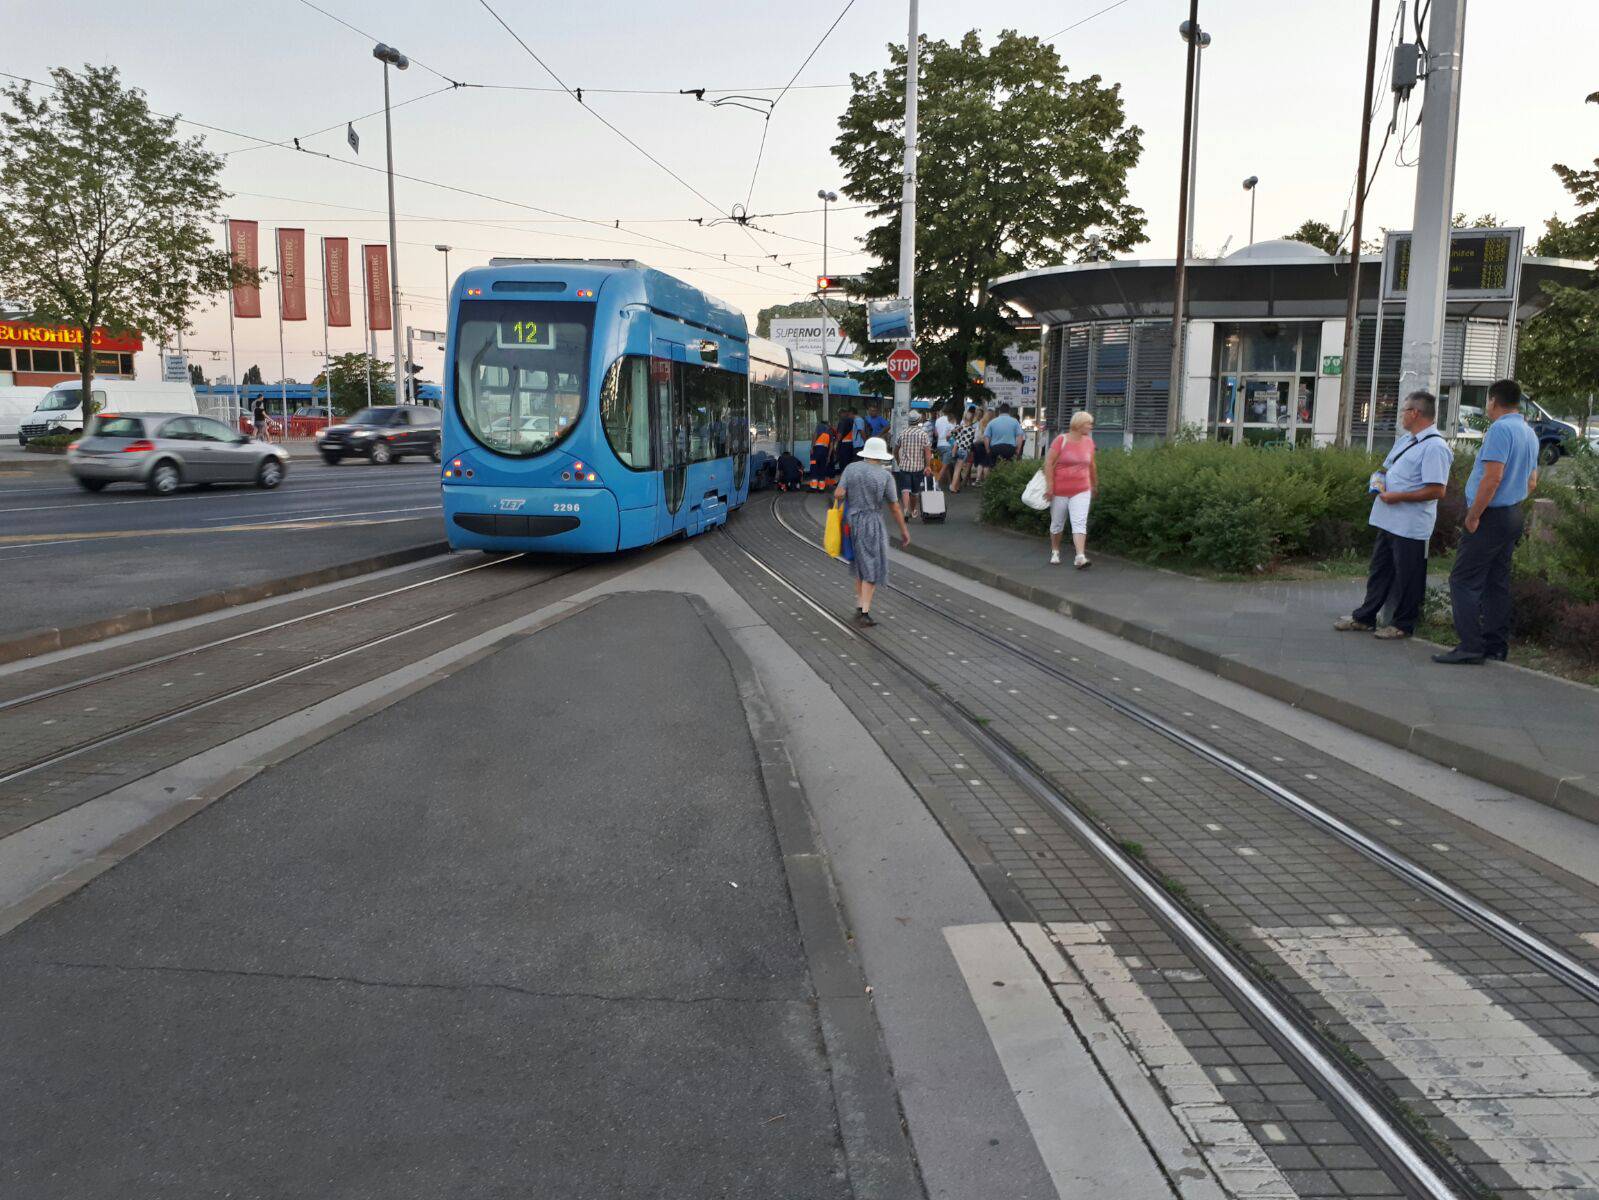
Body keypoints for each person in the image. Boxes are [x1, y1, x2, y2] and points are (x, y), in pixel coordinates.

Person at [1433, 377, 1541, 664]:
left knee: (1463, 580)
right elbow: (1532, 482)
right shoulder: (1528, 433)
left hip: (1490, 516)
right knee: (1497, 581)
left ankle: (1470, 646)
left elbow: (1492, 478)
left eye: (1487, 402)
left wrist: (1474, 514)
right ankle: (1496, 645)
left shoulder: (1500, 430)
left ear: (1493, 401)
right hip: (1512, 514)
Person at [1334, 390, 1453, 640]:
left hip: (1410, 525)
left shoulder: (1435, 447)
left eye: (1403, 410)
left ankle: (1403, 624)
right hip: (1388, 520)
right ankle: (1365, 617)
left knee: (1408, 576)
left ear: (1415, 413)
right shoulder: (1407, 440)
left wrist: (1397, 496)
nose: (1400, 415)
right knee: (1380, 571)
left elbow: (1437, 490)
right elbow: (1387, 467)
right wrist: (1379, 482)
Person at [835, 436, 911, 626]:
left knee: (860, 563)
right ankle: (865, 612)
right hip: (871, 522)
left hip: (851, 522)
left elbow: (839, 493)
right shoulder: (885, 476)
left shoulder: (851, 468)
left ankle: (860, 605)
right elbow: (894, 507)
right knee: (873, 566)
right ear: (881, 456)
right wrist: (904, 530)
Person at [1043, 410, 1098, 567]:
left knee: (1079, 522)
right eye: (1088, 423)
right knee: (1057, 523)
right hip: (1060, 489)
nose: (1091, 426)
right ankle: (1055, 550)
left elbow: (1092, 465)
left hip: (1082, 488)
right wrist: (1050, 487)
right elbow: (1048, 464)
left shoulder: (1088, 442)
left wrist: (1094, 484)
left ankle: (1080, 556)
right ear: (1079, 424)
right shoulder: (1061, 440)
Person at [894, 411, 933, 518]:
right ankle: (913, 510)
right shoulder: (923, 435)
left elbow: (895, 450)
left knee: (905, 489)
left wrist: (898, 461)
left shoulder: (903, 433)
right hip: (918, 467)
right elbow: (927, 453)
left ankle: (905, 510)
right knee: (915, 491)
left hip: (904, 466)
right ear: (919, 420)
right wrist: (928, 466)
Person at [949, 410, 978, 493]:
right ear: (972, 419)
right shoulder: (973, 430)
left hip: (958, 450)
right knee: (958, 470)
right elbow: (973, 441)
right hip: (965, 451)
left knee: (956, 469)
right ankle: (954, 487)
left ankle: (955, 486)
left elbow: (954, 437)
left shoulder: (960, 427)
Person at [808, 420, 833, 490]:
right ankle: (821, 487)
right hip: (825, 451)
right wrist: (828, 456)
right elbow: (831, 445)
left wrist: (812, 448)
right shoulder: (830, 431)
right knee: (822, 468)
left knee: (814, 467)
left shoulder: (819, 426)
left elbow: (815, 436)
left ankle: (813, 487)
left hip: (816, 450)